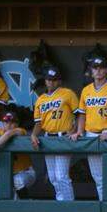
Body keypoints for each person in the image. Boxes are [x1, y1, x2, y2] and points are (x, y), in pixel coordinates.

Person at [72, 56, 107, 201]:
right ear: (91, 71)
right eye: (95, 68)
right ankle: (105, 206)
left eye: (101, 67)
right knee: (98, 176)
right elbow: (82, 115)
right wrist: (79, 131)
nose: (98, 71)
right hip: (91, 135)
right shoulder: (86, 91)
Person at [30, 66, 78, 201]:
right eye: (49, 80)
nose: (51, 82)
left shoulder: (68, 93)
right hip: (48, 138)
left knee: (61, 176)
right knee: (53, 177)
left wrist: (74, 130)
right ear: (45, 81)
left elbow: (79, 115)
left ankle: (69, 206)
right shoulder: (41, 99)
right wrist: (34, 134)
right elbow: (39, 123)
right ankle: (61, 202)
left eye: (54, 80)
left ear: (59, 81)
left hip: (63, 137)